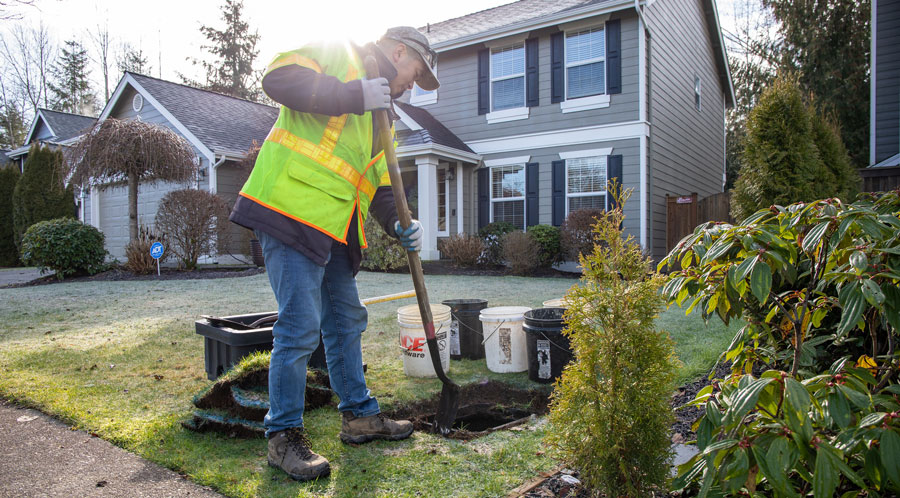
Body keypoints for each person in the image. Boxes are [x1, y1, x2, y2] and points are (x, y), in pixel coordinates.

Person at [229, 26, 439, 482]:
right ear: (399, 51)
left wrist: (402, 223)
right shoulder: (338, 54)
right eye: (414, 73)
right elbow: (278, 80)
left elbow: (382, 188)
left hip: (335, 228)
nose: (410, 85)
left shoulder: (382, 116)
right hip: (289, 210)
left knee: (347, 320)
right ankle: (283, 436)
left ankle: (360, 416)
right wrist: (352, 93)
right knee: (300, 326)